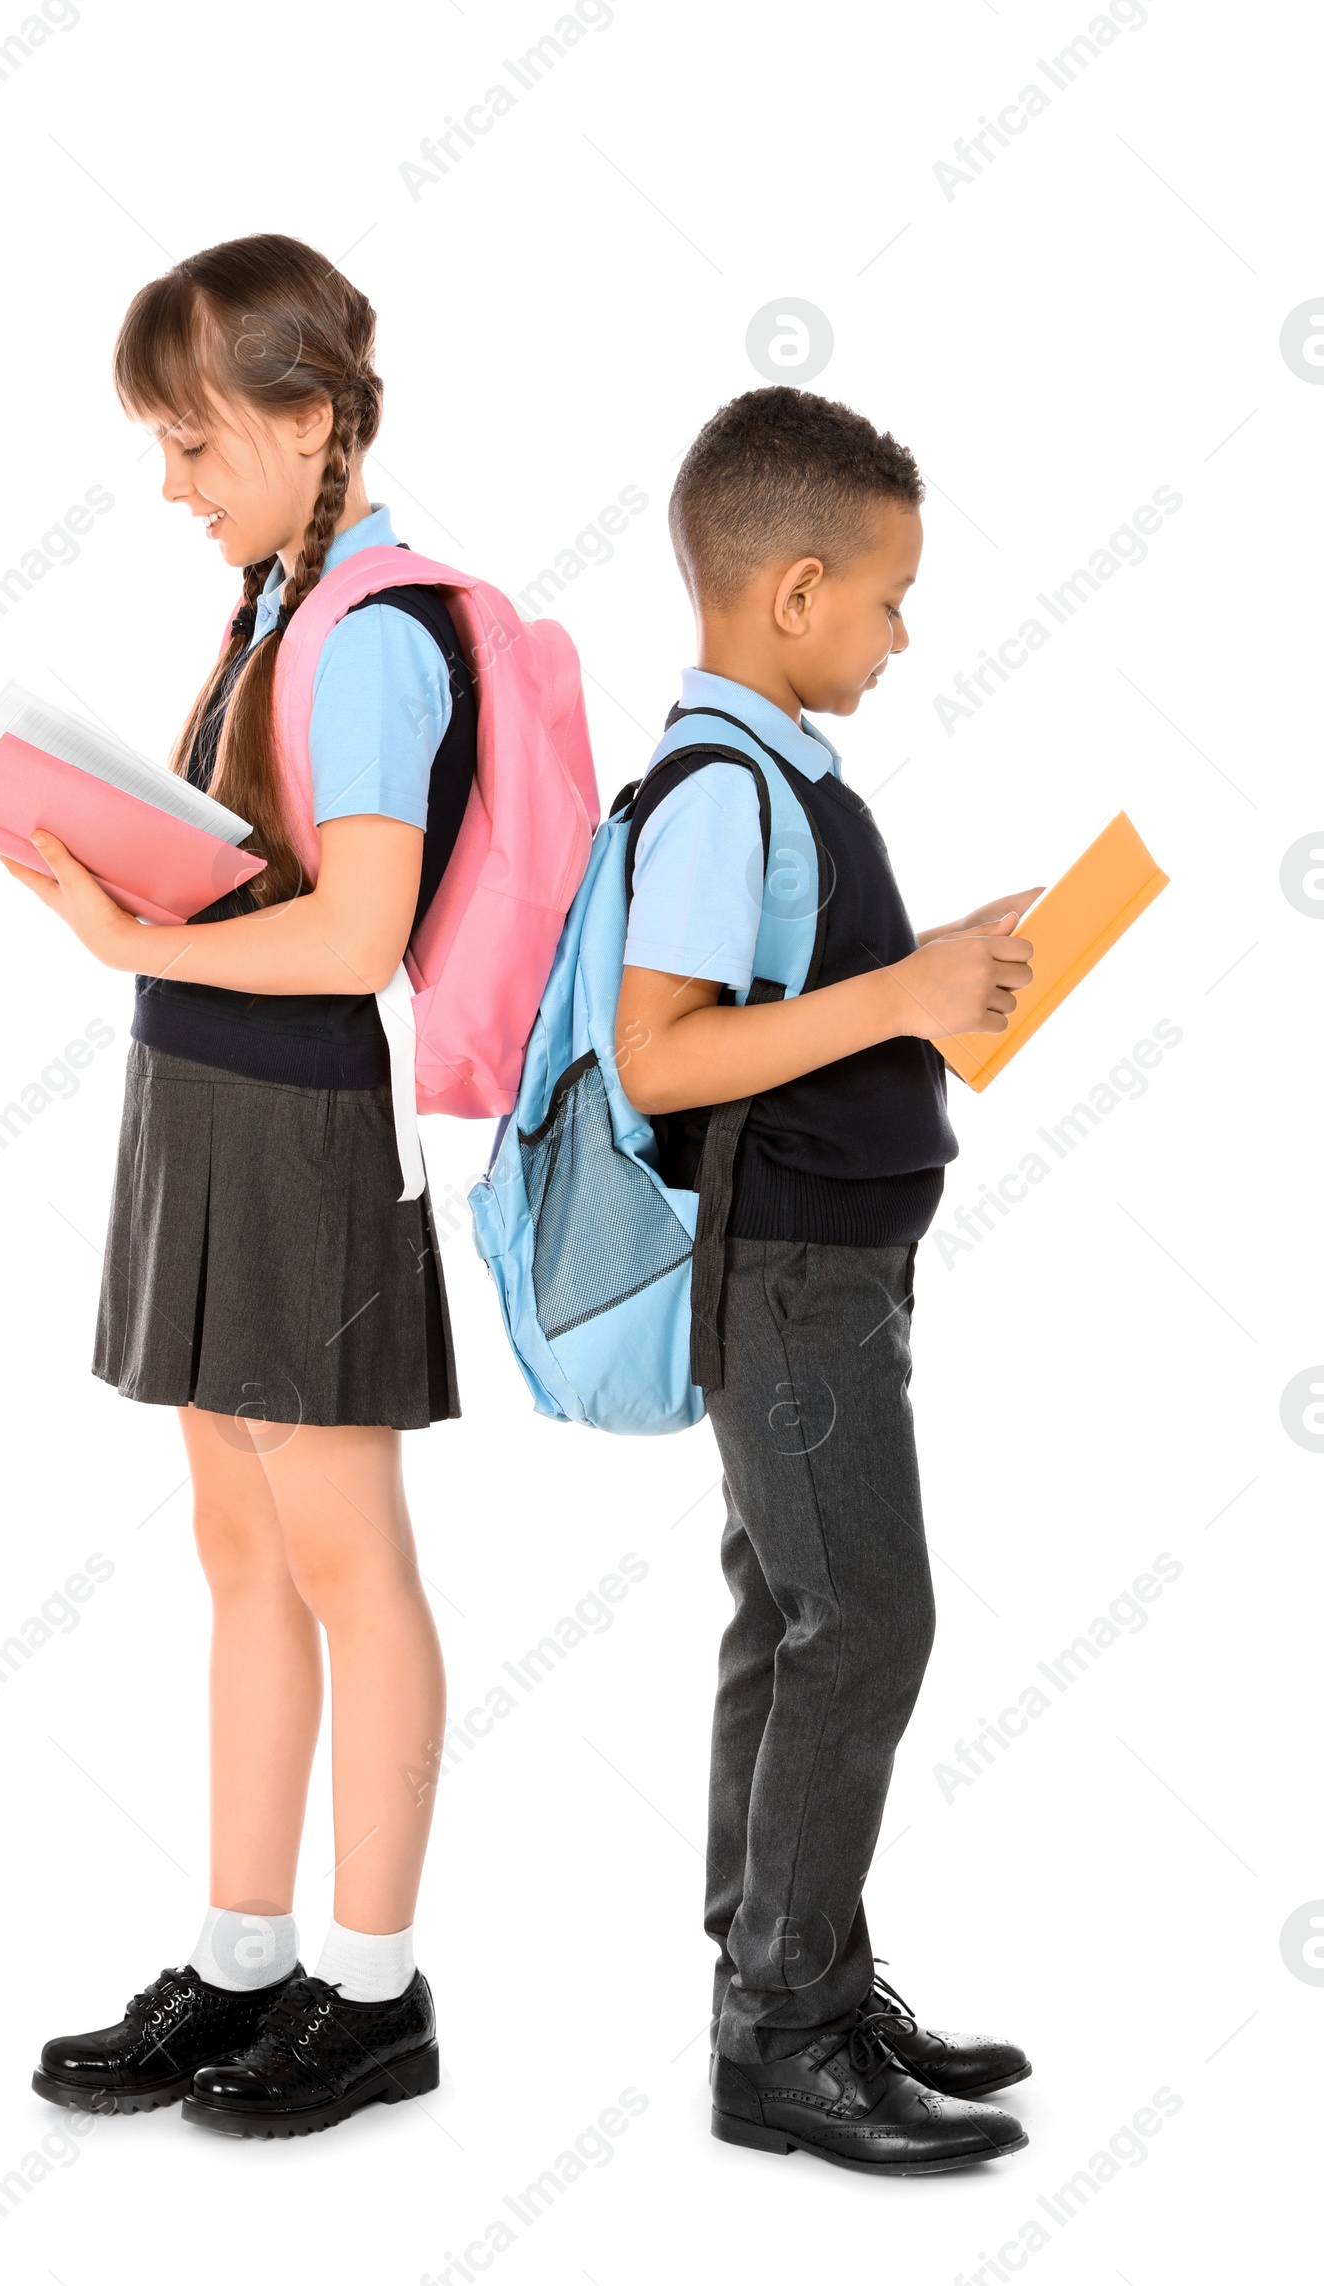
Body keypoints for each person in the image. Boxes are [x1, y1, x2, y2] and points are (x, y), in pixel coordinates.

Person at [9, 234, 463, 2137]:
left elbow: (358, 932)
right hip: (205, 1108)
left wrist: (128, 935)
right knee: (242, 1548)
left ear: (307, 420)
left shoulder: (367, 630)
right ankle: (248, 1954)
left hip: (295, 1130)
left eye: (196, 444)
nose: (175, 487)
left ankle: (373, 1992)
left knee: (350, 1560)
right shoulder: (281, 606)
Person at [617, 386, 1039, 2175]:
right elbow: (660, 1055)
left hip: (830, 1270)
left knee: (788, 1615)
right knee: (864, 1618)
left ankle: (790, 1968)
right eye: (884, 596)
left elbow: (794, 1021)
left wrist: (941, 974)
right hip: (787, 1277)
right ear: (793, 591)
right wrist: (902, 997)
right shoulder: (723, 787)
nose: (900, 629)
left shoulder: (784, 777)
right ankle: (781, 2033)